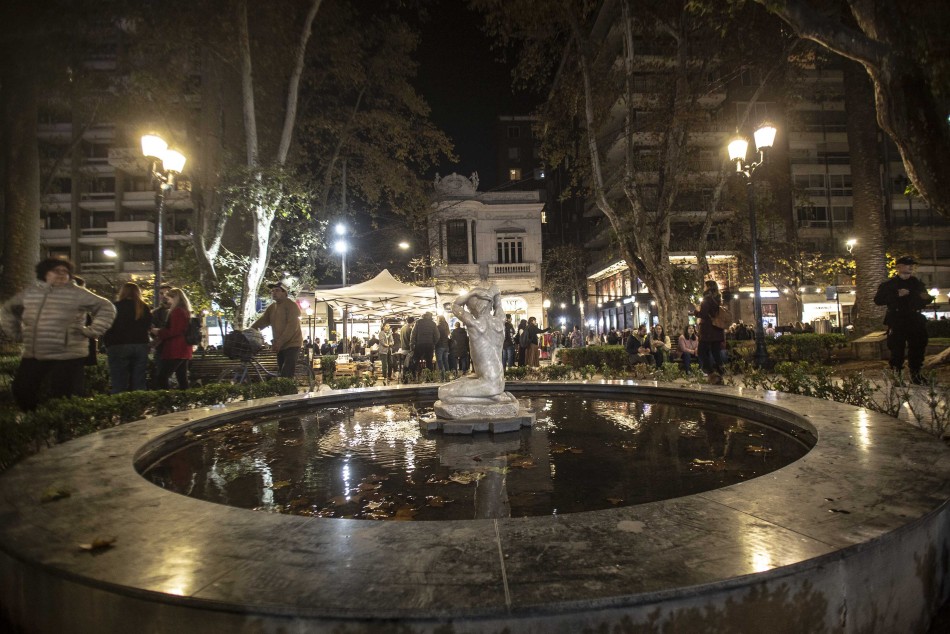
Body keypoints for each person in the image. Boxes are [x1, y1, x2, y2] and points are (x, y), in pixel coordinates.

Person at [0, 258, 116, 411]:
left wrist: (92, 330)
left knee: (66, 395)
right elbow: (8, 310)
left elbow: (107, 308)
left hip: (67, 353)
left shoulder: (77, 293)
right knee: (22, 388)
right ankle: (36, 420)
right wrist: (17, 334)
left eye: (65, 272)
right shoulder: (32, 293)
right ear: (45, 273)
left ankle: (65, 427)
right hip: (35, 352)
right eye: (56, 271)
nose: (62, 274)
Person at [874, 255, 934, 384]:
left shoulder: (917, 283)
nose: (911, 267)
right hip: (897, 318)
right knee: (897, 348)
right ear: (899, 267)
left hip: (915, 318)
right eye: (907, 264)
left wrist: (926, 298)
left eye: (912, 265)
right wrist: (896, 295)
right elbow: (878, 300)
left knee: (918, 346)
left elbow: (925, 298)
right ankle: (897, 376)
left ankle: (916, 375)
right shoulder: (889, 284)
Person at [438, 286, 505, 399]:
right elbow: (497, 290)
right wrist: (489, 294)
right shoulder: (500, 320)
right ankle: (492, 397)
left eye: (469, 307)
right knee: (461, 380)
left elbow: (454, 305)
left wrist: (472, 292)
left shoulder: (474, 324)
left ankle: (490, 399)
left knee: (442, 391)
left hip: (488, 384)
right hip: (499, 380)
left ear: (475, 307)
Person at [102, 282, 152, 393]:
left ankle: (120, 404)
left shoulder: (116, 306)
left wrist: (107, 343)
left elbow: (108, 326)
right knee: (139, 380)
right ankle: (139, 404)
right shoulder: (143, 307)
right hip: (140, 344)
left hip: (118, 344)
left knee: (118, 380)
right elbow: (148, 326)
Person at [251, 282, 303, 379]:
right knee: (281, 372)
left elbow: (291, 327)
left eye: (277, 290)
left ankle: (289, 392)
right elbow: (263, 321)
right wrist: (250, 330)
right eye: (272, 291)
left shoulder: (291, 306)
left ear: (285, 293)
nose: (274, 293)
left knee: (286, 373)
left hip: (292, 344)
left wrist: (280, 342)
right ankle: (287, 391)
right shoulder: (272, 307)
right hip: (280, 345)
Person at [150, 287, 193, 390]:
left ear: (175, 298)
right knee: (182, 378)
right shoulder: (186, 311)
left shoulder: (177, 311)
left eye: (169, 298)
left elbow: (174, 331)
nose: (167, 301)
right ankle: (185, 400)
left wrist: (158, 331)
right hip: (184, 349)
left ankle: (168, 400)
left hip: (176, 349)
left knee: (163, 377)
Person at [694, 280, 726, 378]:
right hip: (717, 330)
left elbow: (703, 314)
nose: (703, 287)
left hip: (708, 330)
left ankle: (710, 371)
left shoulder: (707, 300)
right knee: (716, 351)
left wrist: (696, 311)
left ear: (708, 287)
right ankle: (721, 371)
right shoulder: (718, 299)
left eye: (705, 286)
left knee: (701, 351)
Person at [436, 315, 451, 379]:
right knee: (445, 361)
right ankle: (447, 376)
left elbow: (436, 337)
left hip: (440, 346)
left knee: (440, 361)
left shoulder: (438, 327)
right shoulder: (446, 326)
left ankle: (442, 377)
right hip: (446, 346)